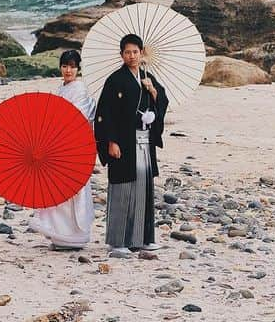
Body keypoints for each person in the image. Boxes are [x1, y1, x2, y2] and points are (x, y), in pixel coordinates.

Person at [93, 33, 169, 256]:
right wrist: (111, 141)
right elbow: (105, 113)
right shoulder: (115, 80)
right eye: (127, 52)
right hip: (124, 142)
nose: (132, 56)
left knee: (144, 188)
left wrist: (153, 93)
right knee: (123, 188)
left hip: (144, 141)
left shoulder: (148, 77)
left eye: (135, 52)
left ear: (141, 53)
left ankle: (142, 238)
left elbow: (161, 101)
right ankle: (118, 241)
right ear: (121, 55)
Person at [28, 49, 95, 250]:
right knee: (58, 190)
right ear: (60, 67)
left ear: (78, 68)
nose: (68, 70)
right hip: (58, 144)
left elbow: (81, 116)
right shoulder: (62, 88)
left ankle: (74, 236)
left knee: (71, 190)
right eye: (65, 66)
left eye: (72, 66)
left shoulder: (80, 89)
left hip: (73, 145)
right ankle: (60, 235)